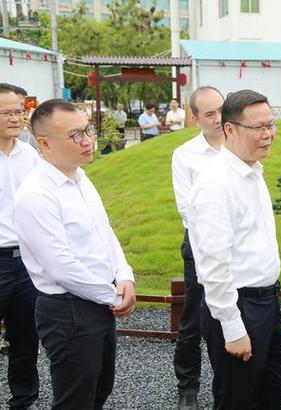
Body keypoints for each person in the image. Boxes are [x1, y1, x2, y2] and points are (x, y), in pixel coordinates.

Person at [14, 99, 137, 409]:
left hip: (98, 301)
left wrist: (125, 276)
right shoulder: (36, 194)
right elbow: (61, 267)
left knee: (99, 390)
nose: (87, 141)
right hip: (69, 310)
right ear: (44, 143)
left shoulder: (79, 177)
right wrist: (112, 296)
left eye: (87, 130)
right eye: (75, 136)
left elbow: (104, 231)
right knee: (75, 400)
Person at [188, 89, 281, 409]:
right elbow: (213, 264)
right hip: (238, 306)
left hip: (267, 301)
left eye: (270, 125)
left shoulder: (252, 171)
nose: (268, 134)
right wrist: (233, 328)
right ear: (229, 129)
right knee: (237, 398)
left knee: (273, 389)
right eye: (257, 128)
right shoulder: (215, 183)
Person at [171, 86, 224, 410]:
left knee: (229, 315)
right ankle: (187, 387)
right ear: (195, 118)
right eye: (209, 114)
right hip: (200, 245)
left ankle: (228, 381)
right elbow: (186, 208)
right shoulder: (186, 155)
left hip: (237, 248)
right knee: (193, 319)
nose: (218, 118)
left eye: (221, 109)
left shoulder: (238, 145)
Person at [0, 83, 40, 410]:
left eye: (19, 111)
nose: (16, 118)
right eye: (7, 113)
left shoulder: (31, 154)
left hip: (27, 261)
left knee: (26, 339)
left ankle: (24, 400)